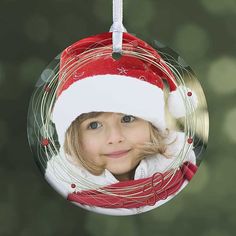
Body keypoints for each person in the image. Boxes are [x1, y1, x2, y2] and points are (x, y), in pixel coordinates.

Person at [45, 32, 198, 215]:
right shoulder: (60, 195)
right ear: (72, 136)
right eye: (94, 125)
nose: (115, 138)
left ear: (152, 124)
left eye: (127, 118)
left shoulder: (182, 175)